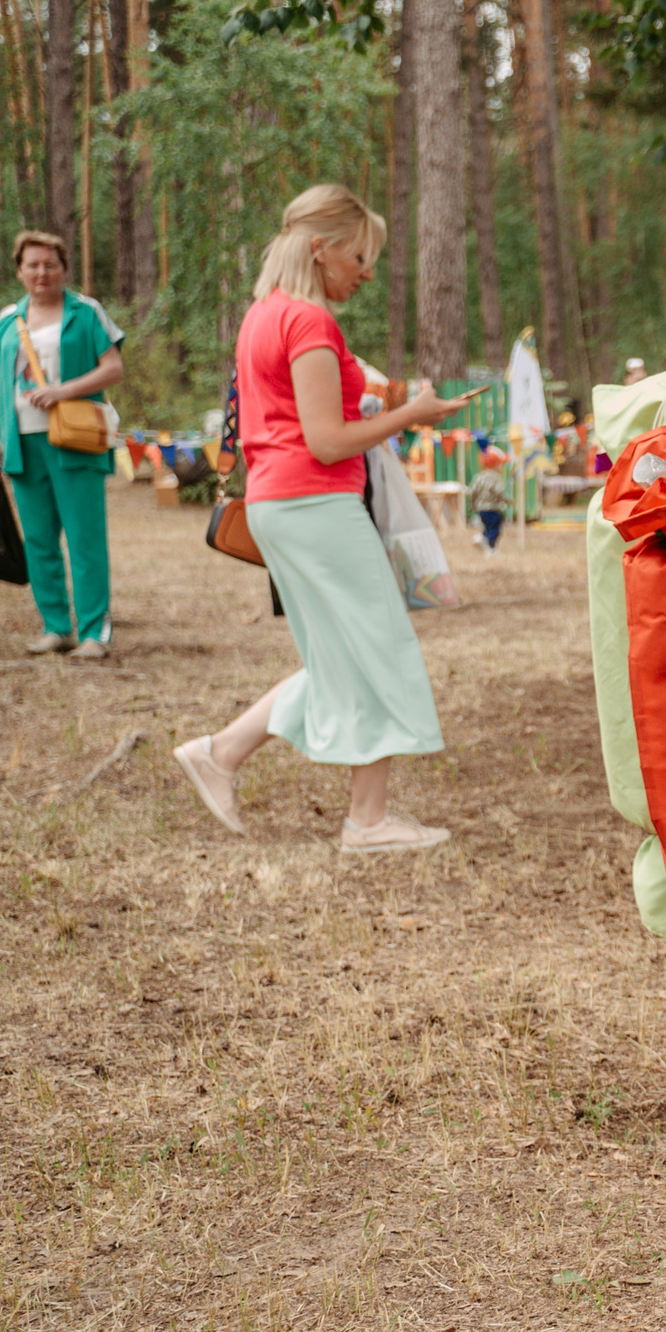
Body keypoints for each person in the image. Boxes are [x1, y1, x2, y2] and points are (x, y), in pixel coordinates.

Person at [171, 184, 465, 851]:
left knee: (341, 654)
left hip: (282, 502)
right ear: (319, 248)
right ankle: (367, 819)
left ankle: (220, 753)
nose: (365, 272)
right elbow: (327, 439)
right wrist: (410, 415)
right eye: (358, 257)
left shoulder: (261, 315)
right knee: (379, 643)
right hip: (315, 501)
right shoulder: (309, 321)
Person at [0, 230, 127, 660]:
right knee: (39, 540)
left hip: (75, 438)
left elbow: (113, 368)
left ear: (64, 268)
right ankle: (55, 627)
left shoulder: (86, 312)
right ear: (20, 270)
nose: (41, 272)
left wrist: (63, 392)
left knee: (84, 539)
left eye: (50, 264)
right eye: (33, 265)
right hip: (22, 441)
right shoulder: (9, 319)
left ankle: (93, 633)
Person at [469, 450, 510, 551]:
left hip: (481, 509)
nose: (502, 467)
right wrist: (507, 500)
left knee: (488, 526)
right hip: (493, 508)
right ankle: (490, 547)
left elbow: (472, 491)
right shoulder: (496, 478)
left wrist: (473, 504)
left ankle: (481, 538)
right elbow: (498, 491)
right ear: (495, 464)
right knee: (495, 528)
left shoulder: (480, 477)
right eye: (501, 464)